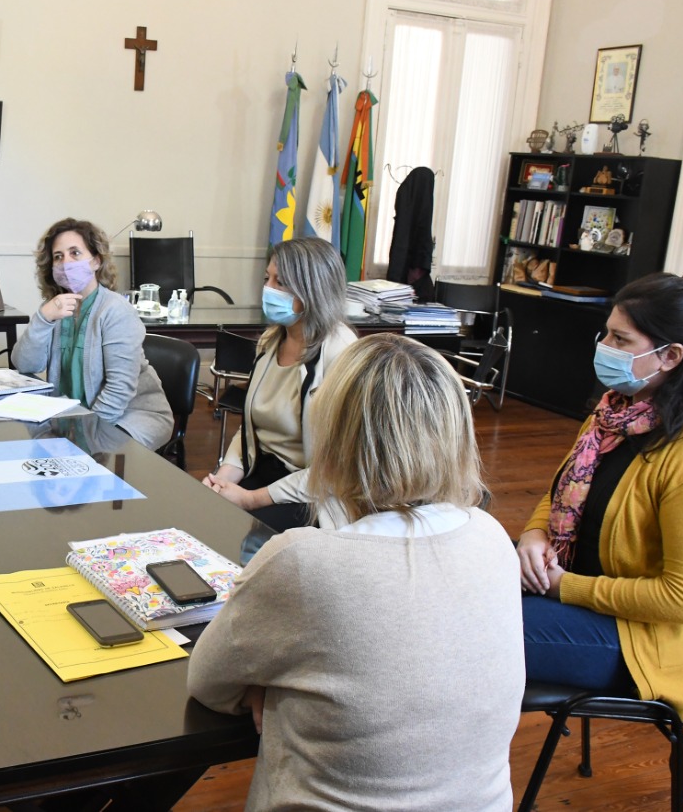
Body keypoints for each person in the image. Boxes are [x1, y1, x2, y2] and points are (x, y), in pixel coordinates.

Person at [188, 333, 524, 810]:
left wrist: (269, 686)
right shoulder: (492, 537)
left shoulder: (302, 561)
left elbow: (207, 681)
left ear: (334, 437)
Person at [518, 272, 683, 710]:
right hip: (578, 589)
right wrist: (534, 535)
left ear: (670, 356)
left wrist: (565, 587)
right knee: (459, 590)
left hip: (645, 638)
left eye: (620, 339)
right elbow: (561, 492)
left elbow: (678, 597)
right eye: (606, 333)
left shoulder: (680, 456)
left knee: (470, 629)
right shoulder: (611, 416)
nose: (604, 347)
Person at [203, 236, 357, 533]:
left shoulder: (341, 352)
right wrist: (222, 479)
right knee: (204, 518)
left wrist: (249, 499)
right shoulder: (270, 341)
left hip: (312, 492)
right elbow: (250, 430)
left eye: (281, 282)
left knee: (240, 539)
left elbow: (335, 468)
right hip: (262, 471)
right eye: (267, 279)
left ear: (313, 288)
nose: (268, 289)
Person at [11, 217, 173, 450]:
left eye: (75, 253)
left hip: (132, 415)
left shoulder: (115, 310)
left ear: (96, 261)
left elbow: (119, 389)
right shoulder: (56, 308)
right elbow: (25, 364)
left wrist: (83, 439)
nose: (66, 263)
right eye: (58, 256)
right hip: (73, 415)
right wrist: (43, 318)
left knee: (84, 461)